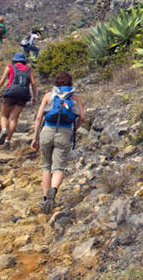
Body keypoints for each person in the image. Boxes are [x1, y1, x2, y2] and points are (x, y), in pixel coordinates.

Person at [31, 71, 85, 214]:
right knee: (59, 168)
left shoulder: (48, 96)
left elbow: (38, 118)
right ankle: (53, 191)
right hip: (64, 133)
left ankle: (44, 199)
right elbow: (82, 117)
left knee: (46, 167)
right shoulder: (74, 97)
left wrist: (35, 137)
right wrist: (73, 129)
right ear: (70, 83)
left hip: (47, 131)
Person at [0, 53, 37, 149]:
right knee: (14, 118)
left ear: (14, 60)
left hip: (10, 93)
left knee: (4, 115)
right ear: (24, 61)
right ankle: (8, 141)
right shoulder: (29, 70)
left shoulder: (10, 67)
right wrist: (34, 96)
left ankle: (4, 130)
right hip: (23, 95)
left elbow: (2, 81)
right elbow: (33, 84)